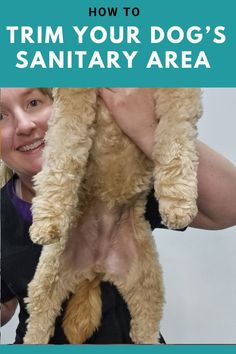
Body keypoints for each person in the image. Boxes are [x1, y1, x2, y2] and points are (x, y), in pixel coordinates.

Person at [1, 88, 236, 344]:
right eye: (0, 116)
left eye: (34, 103)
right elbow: (6, 305)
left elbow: (228, 207)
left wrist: (148, 129)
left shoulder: (119, 178)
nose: (24, 125)